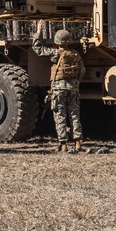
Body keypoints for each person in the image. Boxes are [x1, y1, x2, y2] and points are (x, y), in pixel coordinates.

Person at [32, 19, 84, 153]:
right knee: (74, 114)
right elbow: (82, 71)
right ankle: (78, 142)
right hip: (73, 88)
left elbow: (37, 48)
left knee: (60, 115)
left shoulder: (56, 54)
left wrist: (39, 32)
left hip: (58, 88)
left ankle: (63, 144)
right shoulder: (75, 55)